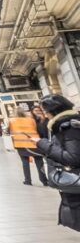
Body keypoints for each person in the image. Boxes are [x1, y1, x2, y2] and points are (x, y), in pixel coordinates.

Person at [32, 94, 80, 232]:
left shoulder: (69, 127)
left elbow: (73, 158)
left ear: (54, 111)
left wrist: (43, 144)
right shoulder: (64, 124)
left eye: (45, 112)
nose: (45, 116)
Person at [9, 109, 48, 186]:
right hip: (34, 142)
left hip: (20, 144)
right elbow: (37, 129)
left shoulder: (12, 120)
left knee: (25, 163)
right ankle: (44, 181)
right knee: (39, 162)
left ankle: (28, 181)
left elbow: (9, 131)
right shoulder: (31, 120)